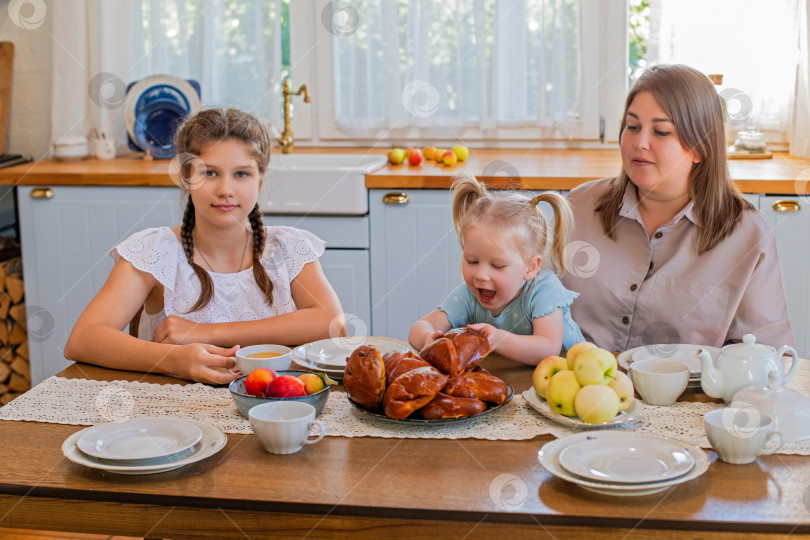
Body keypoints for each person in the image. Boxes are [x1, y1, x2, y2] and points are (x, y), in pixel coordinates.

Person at [64, 108, 345, 384]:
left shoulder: (288, 247)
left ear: (260, 179)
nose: (225, 189)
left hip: (273, 407)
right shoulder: (155, 251)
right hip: (178, 413)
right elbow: (83, 339)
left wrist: (206, 332)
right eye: (210, 173)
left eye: (242, 174)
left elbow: (333, 324)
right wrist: (174, 359)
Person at [561, 64, 793, 352]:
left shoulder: (747, 236)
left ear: (700, 148)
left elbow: (768, 357)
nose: (639, 142)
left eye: (661, 131)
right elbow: (530, 307)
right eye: (632, 126)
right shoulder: (578, 206)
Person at [408, 174, 585, 365]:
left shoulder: (544, 291)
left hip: (571, 376)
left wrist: (498, 338)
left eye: (497, 266)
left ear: (530, 267)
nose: (481, 275)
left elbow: (548, 348)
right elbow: (420, 327)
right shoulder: (469, 296)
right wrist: (428, 338)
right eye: (472, 261)